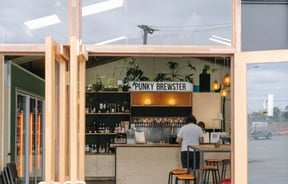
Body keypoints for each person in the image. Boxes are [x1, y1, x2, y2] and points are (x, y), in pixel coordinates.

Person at [176, 115, 203, 180]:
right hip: (195, 151)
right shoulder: (198, 128)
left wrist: (182, 141)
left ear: (187, 121)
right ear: (194, 121)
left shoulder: (183, 128)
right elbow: (201, 141)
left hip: (185, 151)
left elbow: (178, 140)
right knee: (196, 170)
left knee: (185, 170)